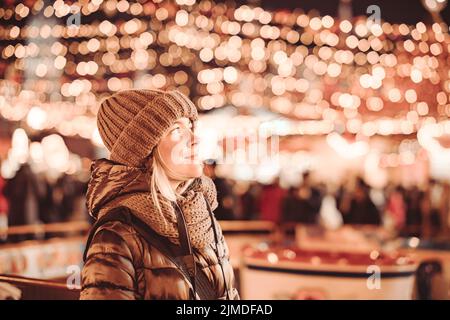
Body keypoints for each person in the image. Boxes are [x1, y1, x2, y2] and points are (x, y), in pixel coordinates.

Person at [81, 89, 239, 300]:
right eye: (176, 130)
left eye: (190, 126)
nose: (195, 139)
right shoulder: (116, 235)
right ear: (144, 149)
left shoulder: (202, 216)